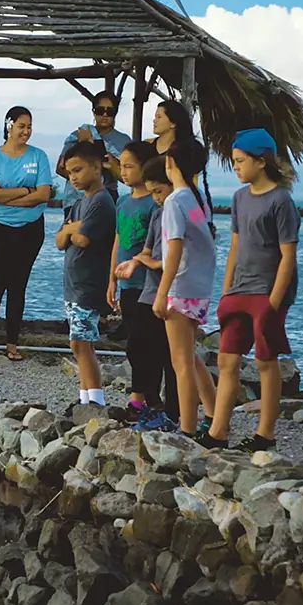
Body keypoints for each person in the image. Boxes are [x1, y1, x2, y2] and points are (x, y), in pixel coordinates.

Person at [198, 129, 300, 452]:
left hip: (267, 292)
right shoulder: (239, 198)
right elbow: (234, 247)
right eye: (233, 161)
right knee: (227, 360)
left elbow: (288, 256)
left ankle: (265, 435)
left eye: (240, 161)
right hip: (239, 291)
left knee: (266, 362)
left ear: (261, 161)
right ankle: (217, 432)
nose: (236, 168)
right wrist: (226, 291)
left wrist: (273, 301)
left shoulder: (281, 200)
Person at [0, 107, 54, 361]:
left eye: (29, 126)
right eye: (21, 126)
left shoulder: (39, 157)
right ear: (9, 126)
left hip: (30, 229)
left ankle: (12, 344)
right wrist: (27, 191)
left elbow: (44, 195)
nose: (26, 131)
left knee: (18, 285)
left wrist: (8, 196)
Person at [153, 140, 219, 435]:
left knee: (180, 363)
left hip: (180, 288)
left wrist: (161, 293)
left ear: (170, 164)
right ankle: (214, 414)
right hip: (199, 286)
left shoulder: (175, 201)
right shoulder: (197, 200)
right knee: (189, 356)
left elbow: (175, 247)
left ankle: (188, 430)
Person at [116, 157, 180, 429]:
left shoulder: (180, 209)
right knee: (137, 346)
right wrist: (134, 262)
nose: (155, 198)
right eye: (152, 192)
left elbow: (176, 256)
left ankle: (173, 413)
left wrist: (151, 263)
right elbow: (147, 249)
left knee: (169, 355)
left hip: (170, 290)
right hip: (149, 289)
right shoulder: (158, 212)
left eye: (159, 191)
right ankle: (153, 402)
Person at [56, 141, 117, 406]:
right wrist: (71, 229)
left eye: (78, 170)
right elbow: (60, 241)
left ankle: (95, 402)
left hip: (88, 285)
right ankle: (84, 399)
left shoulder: (102, 201)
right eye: (70, 172)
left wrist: (72, 231)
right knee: (78, 343)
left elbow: (82, 240)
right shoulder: (79, 203)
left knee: (83, 343)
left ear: (96, 168)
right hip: (73, 284)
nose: (74, 177)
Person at [108, 141, 161, 406]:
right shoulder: (123, 201)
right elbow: (118, 241)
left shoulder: (155, 203)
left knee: (141, 344)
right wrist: (111, 281)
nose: (124, 172)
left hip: (148, 285)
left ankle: (140, 397)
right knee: (133, 341)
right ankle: (145, 397)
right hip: (126, 284)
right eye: (121, 166)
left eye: (129, 166)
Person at [58, 91, 132, 217]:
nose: (104, 114)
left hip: (105, 197)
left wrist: (91, 144)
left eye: (110, 111)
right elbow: (60, 168)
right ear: (93, 111)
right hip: (75, 200)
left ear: (115, 113)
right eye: (100, 110)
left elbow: (128, 177)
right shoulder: (76, 135)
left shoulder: (123, 141)